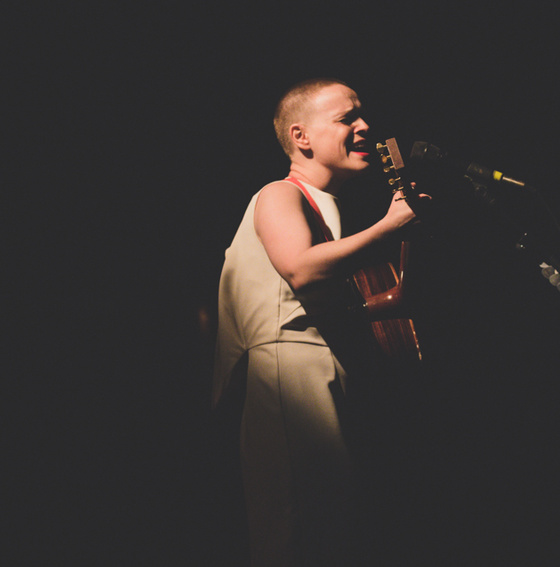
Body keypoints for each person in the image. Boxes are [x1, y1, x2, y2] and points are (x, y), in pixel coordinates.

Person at [212, 78, 426, 566]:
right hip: (289, 371)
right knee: (296, 530)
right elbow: (302, 268)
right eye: (346, 118)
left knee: (327, 530)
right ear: (301, 136)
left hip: (321, 368)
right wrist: (390, 226)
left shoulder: (328, 210)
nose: (365, 126)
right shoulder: (279, 194)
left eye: (363, 115)